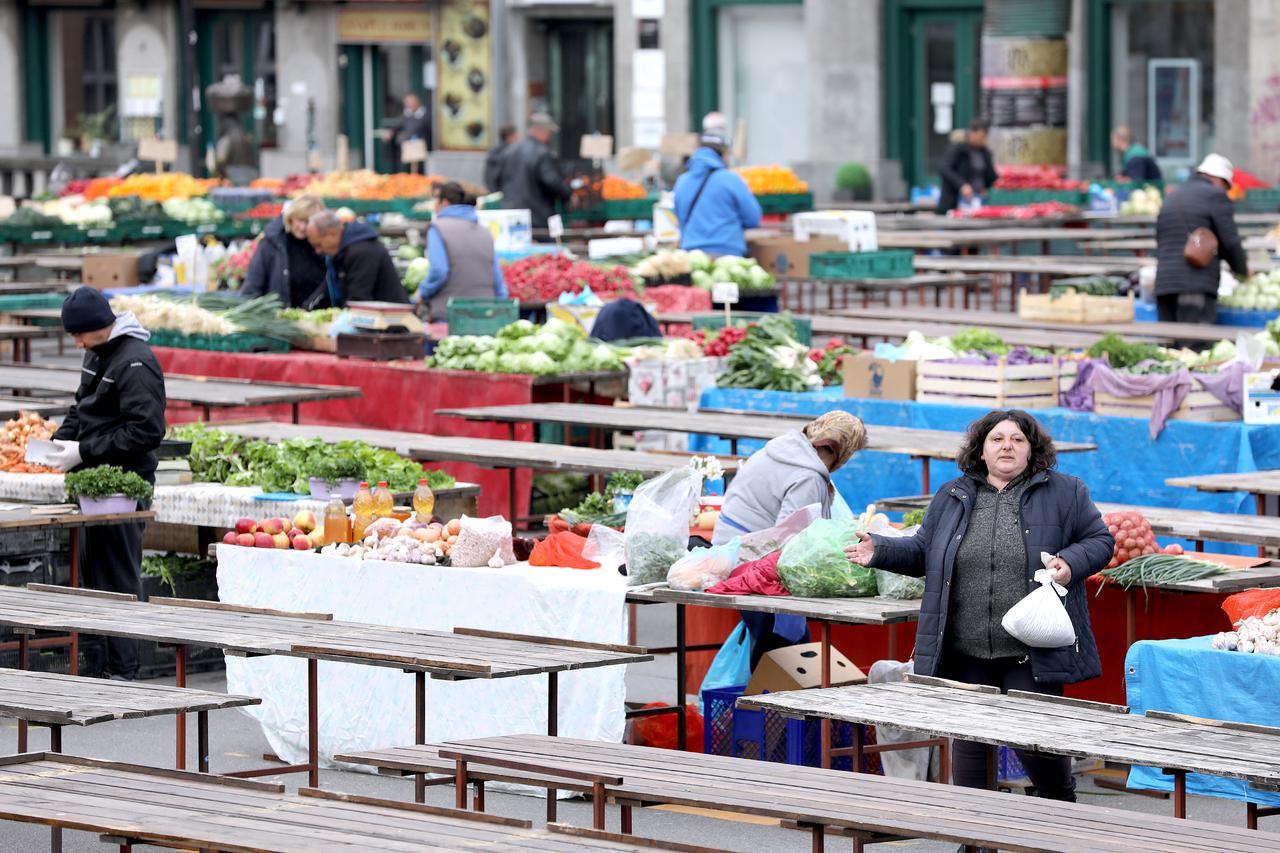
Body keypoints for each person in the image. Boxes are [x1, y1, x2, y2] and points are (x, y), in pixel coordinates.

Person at [845, 410, 1113, 802]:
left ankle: (1061, 817)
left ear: (1031, 450)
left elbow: (1100, 541)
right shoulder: (954, 495)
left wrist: (1070, 563)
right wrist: (881, 549)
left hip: (1029, 650)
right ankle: (975, 840)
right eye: (997, 439)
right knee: (970, 752)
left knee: (1037, 746)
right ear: (982, 450)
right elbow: (925, 552)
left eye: (1018, 440)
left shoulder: (1066, 492)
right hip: (965, 648)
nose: (1007, 446)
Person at [48, 288, 167, 680]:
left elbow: (146, 431)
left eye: (79, 335)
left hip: (124, 485)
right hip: (93, 482)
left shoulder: (135, 362)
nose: (76, 343)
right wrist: (57, 445)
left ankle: (125, 670)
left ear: (101, 326)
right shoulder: (96, 352)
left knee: (118, 574)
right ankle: (105, 665)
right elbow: (81, 406)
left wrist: (84, 450)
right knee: (96, 573)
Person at [713, 411, 868, 665]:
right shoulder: (807, 475)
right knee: (781, 647)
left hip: (730, 551)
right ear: (841, 450)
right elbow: (794, 542)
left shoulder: (779, 450)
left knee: (788, 646)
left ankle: (762, 697)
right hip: (753, 565)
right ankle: (765, 702)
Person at [1154, 153, 1248, 331]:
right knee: (1194, 351)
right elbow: (1231, 242)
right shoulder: (1215, 196)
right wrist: (1242, 271)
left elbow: (1160, 239)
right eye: (1225, 186)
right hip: (1195, 285)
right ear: (1217, 179)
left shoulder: (1172, 196)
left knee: (1168, 352)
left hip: (1164, 287)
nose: (1225, 191)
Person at [415, 181, 507, 319]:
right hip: (485, 314)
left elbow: (439, 271)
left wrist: (422, 293)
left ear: (444, 203)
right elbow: (497, 278)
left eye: (436, 202)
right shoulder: (484, 231)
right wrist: (501, 307)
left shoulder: (437, 228)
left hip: (449, 314)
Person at [673, 130, 762, 257]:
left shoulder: (682, 181)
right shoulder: (731, 179)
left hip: (691, 255)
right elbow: (753, 218)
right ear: (723, 154)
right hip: (727, 252)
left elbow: (679, 218)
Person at [306, 210, 409, 307]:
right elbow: (328, 287)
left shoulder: (362, 252)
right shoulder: (341, 251)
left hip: (391, 321)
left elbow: (358, 299)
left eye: (318, 244)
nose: (317, 251)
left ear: (332, 234)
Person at [240, 195, 327, 307]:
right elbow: (253, 284)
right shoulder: (272, 243)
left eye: (308, 222)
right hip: (278, 318)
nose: (302, 227)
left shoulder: (323, 245)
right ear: (291, 218)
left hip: (316, 317)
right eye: (300, 220)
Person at [495, 113, 571, 229]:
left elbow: (497, 180)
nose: (549, 136)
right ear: (542, 131)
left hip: (510, 215)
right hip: (537, 217)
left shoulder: (509, 151)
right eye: (549, 132)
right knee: (543, 246)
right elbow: (552, 182)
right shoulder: (542, 153)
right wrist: (567, 195)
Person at [937, 118, 998, 215]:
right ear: (972, 133)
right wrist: (962, 185)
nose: (983, 139)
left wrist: (986, 187)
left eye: (985, 136)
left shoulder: (985, 153)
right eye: (981, 136)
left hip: (977, 201)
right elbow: (945, 169)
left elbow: (990, 176)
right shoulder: (958, 149)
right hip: (954, 202)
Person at [384, 93, 432, 169]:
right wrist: (391, 131)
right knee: (409, 169)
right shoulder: (406, 115)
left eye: (410, 103)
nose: (408, 106)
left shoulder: (427, 116)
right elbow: (399, 125)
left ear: (416, 103)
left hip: (423, 148)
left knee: (421, 168)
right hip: (410, 147)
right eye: (406, 104)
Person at [483, 124, 518, 193]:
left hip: (495, 192)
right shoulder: (510, 152)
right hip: (504, 193)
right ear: (510, 136)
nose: (517, 139)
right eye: (516, 136)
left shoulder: (494, 151)